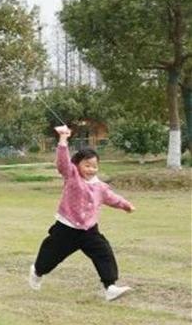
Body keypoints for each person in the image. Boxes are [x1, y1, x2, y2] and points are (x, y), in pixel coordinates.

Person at [29, 125, 135, 301]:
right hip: (66, 228)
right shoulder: (72, 176)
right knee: (50, 257)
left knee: (104, 253)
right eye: (87, 165)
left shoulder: (100, 186)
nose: (91, 169)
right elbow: (62, 162)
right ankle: (37, 271)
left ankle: (110, 287)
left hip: (89, 230)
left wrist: (125, 205)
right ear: (77, 165)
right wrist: (63, 138)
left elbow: (111, 198)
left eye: (94, 166)